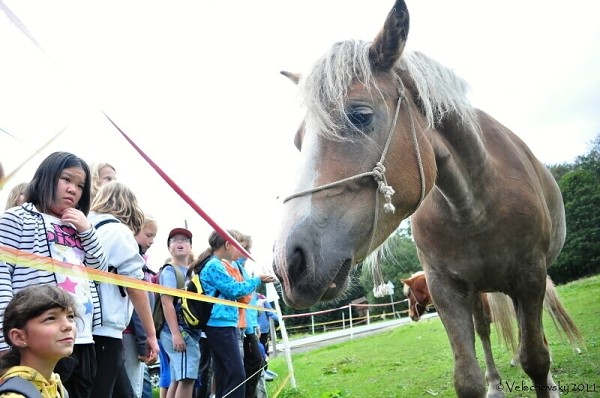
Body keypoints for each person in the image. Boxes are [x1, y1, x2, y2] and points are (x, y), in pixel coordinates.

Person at [0, 151, 108, 398]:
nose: (73, 190)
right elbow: (1, 277)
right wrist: (3, 337)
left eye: (80, 186)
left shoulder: (78, 226)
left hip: (80, 335)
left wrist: (87, 231)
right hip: (37, 338)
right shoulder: (15, 219)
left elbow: (100, 271)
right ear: (45, 178)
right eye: (66, 180)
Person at [88, 181, 159, 398]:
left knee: (123, 393)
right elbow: (135, 287)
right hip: (106, 327)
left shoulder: (86, 225)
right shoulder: (119, 231)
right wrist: (151, 333)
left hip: (84, 323)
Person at [197, 230, 276, 398]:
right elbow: (234, 290)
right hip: (220, 325)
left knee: (225, 375)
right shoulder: (214, 265)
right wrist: (257, 280)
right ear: (227, 244)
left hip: (223, 324)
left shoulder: (215, 264)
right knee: (237, 375)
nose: (240, 250)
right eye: (237, 246)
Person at [0, 285, 78, 398]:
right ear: (19, 337)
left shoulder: (57, 387)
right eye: (51, 318)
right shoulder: (14, 395)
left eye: (70, 316)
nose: (68, 326)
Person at [159, 227, 201, 398]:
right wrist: (176, 333)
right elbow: (166, 302)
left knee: (177, 379)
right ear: (169, 248)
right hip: (178, 332)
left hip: (189, 332)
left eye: (184, 240)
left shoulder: (191, 274)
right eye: (175, 240)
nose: (179, 243)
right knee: (187, 379)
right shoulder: (170, 270)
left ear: (190, 247)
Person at [122, 213, 158, 398]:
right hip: (131, 334)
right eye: (148, 235)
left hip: (136, 333)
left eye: (154, 237)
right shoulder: (133, 263)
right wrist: (144, 339)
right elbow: (136, 303)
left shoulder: (143, 261)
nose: (151, 241)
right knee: (132, 388)